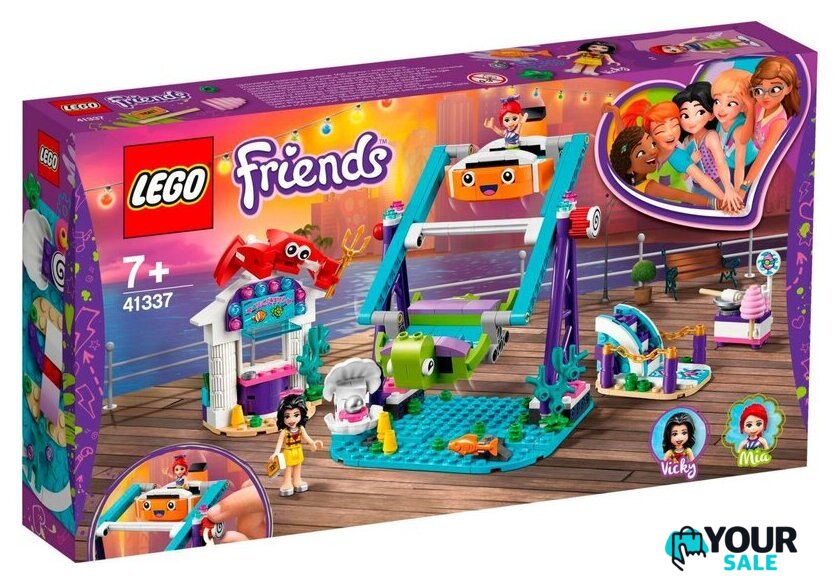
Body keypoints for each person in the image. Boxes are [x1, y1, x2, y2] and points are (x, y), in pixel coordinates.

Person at [609, 125, 719, 209]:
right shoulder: (649, 187)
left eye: (652, 144)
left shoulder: (633, 187)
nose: (653, 151)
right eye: (641, 153)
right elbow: (684, 196)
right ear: (628, 167)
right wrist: (715, 203)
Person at [672, 82, 741, 210]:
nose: (691, 120)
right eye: (685, 115)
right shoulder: (686, 141)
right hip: (697, 189)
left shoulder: (710, 137)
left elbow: (721, 163)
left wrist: (728, 188)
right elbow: (684, 176)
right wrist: (691, 161)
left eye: (699, 112)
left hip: (718, 186)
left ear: (711, 115)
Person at [741, 56, 801, 193]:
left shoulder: (779, 122)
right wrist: (750, 107)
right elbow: (744, 137)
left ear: (788, 88)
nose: (766, 96)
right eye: (759, 90)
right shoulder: (758, 105)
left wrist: (744, 187)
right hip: (750, 156)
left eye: (774, 89)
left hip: (766, 167)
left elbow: (763, 156)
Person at [711, 69, 759, 190]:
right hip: (730, 164)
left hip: (747, 167)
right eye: (717, 101)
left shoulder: (739, 131)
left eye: (731, 104)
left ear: (744, 106)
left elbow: (740, 167)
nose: (721, 109)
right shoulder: (721, 120)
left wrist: (738, 193)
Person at [270, 394, 323, 496]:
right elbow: (279, 443)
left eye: (296, 415)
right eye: (287, 416)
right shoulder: (284, 432)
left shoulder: (300, 429)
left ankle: (297, 480)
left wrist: (313, 443)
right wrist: (275, 453)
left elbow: (306, 437)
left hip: (298, 451)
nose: (292, 420)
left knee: (298, 466)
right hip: (288, 452)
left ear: (301, 414)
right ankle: (287, 483)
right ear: (282, 417)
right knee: (288, 468)